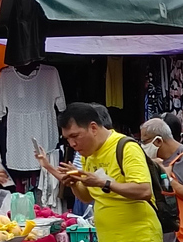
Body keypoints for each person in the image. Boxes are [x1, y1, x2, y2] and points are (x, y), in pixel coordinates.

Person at [55, 103, 162, 242]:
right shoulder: (87, 154)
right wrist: (74, 183)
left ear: (93, 128)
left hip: (139, 236)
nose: (72, 143)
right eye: (67, 138)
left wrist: (103, 183)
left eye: (75, 136)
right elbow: (88, 197)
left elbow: (144, 190)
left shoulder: (126, 147)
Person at [141, 118, 183, 242]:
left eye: (145, 142)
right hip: (169, 232)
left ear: (158, 141)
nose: (142, 146)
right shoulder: (160, 161)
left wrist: (168, 178)